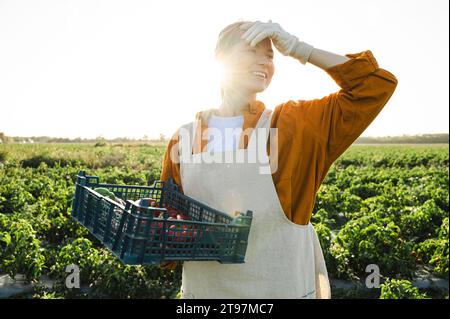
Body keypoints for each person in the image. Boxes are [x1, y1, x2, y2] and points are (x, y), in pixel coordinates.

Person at [159, 20, 398, 299]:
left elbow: (372, 85)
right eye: (251, 50)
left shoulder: (292, 125)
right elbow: (167, 231)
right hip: (205, 293)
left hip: (282, 289)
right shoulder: (184, 139)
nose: (264, 61)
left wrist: (300, 48)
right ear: (221, 59)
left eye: (270, 55)